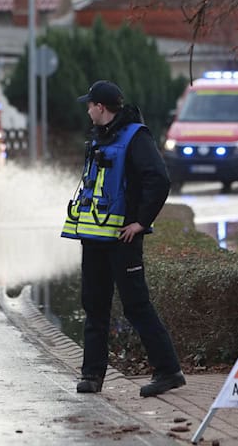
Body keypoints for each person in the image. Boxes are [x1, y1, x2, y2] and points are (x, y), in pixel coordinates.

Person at [61, 80, 186, 398]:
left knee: (136, 306)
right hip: (93, 238)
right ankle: (91, 375)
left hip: (122, 240)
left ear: (101, 107)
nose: (87, 110)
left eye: (90, 105)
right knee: (94, 306)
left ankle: (169, 371)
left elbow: (158, 180)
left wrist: (141, 223)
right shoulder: (99, 137)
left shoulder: (135, 137)